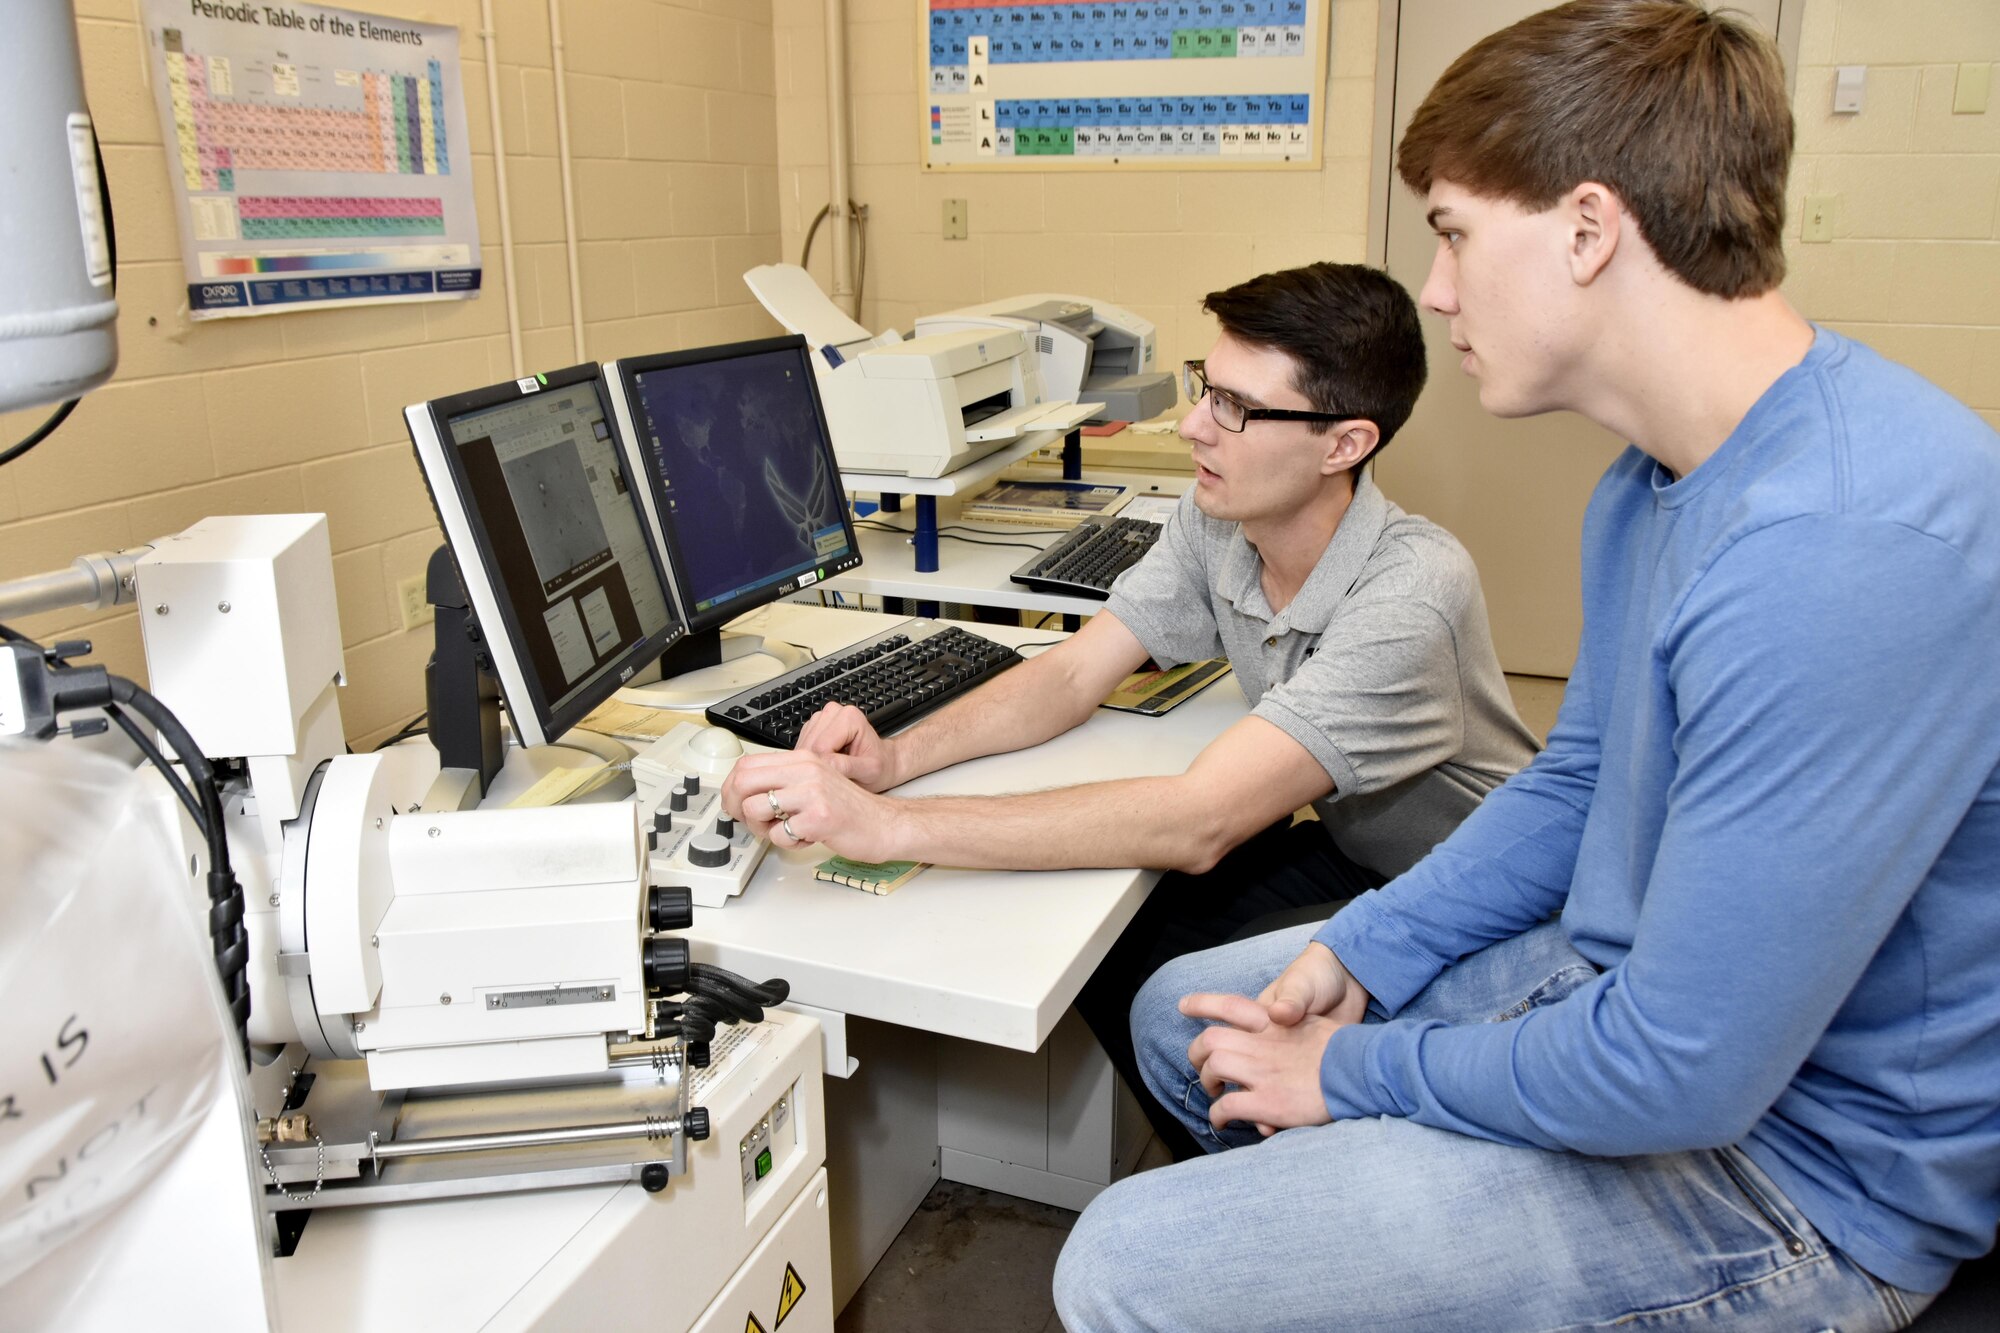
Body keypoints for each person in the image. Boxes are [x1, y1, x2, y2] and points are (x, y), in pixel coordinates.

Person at [1053, 2, 2000, 1330]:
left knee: (1127, 1263)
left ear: (1588, 228)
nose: (1435, 292)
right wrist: (1369, 952)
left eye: (1451, 232)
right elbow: (1582, 781)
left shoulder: (1841, 547)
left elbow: (1685, 1071)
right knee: (1187, 1015)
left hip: (1794, 1174)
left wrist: (1364, 1068)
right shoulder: (1654, 479)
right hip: (1647, 991)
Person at [721, 262, 1537, 1154]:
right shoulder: (1221, 517)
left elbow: (1196, 821)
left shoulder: (1411, 593)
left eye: (1235, 406)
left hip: (1470, 909)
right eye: (1203, 387)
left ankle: (1271, 1207)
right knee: (1112, 934)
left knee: (1184, 997)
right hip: (1358, 849)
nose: (1193, 426)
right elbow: (1075, 673)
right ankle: (1223, 1164)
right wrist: (897, 760)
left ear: (1343, 444)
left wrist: (886, 827)